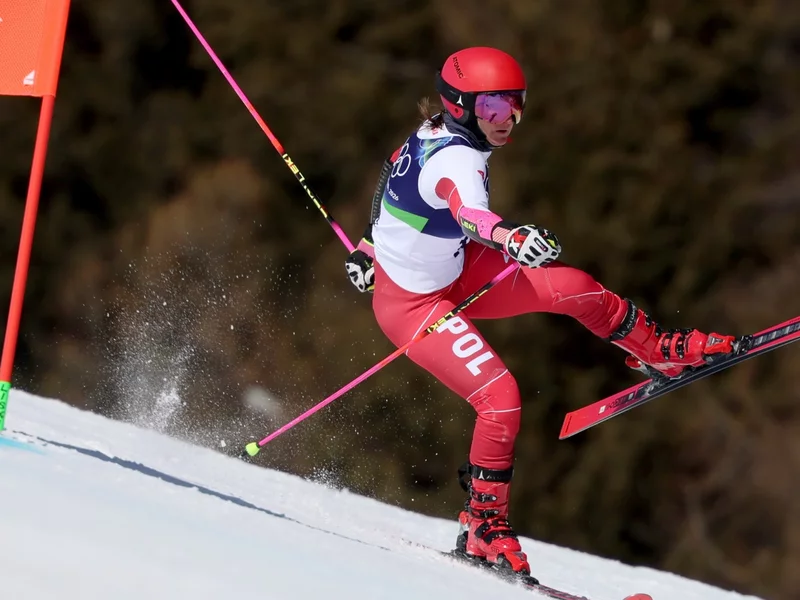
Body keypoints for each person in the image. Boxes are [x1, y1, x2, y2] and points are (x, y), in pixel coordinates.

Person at [344, 47, 739, 576]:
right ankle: (483, 525)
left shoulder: (435, 129)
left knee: (573, 286)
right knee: (500, 399)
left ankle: (655, 351)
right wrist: (510, 237)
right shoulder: (457, 161)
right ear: (460, 105)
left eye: (514, 104)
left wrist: (369, 244)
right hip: (413, 304)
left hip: (456, 269)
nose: (506, 118)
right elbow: (470, 215)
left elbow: (390, 179)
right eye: (491, 106)